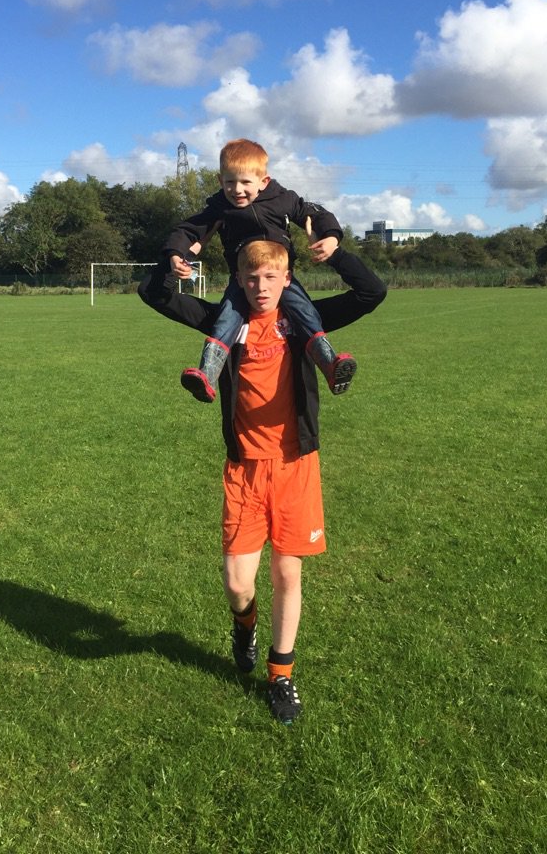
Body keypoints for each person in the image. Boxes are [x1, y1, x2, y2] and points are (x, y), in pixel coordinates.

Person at [138, 237, 386, 724]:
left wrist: (334, 254)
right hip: (245, 469)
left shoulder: (301, 320)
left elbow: (370, 292)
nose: (262, 287)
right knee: (237, 582)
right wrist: (170, 266)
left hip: (295, 466)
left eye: (272, 277)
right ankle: (244, 624)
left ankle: (280, 675)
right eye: (252, 279)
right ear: (239, 282)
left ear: (287, 279)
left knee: (287, 573)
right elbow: (155, 296)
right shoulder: (225, 323)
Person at [163, 138, 357, 403]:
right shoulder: (219, 207)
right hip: (241, 280)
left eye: (245, 183)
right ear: (221, 181)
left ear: (264, 181)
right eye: (230, 182)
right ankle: (207, 377)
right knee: (225, 319)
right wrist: (176, 254)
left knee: (305, 312)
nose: (237, 190)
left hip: (279, 279)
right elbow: (187, 229)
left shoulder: (283, 199)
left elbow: (317, 213)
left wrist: (332, 237)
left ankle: (331, 367)